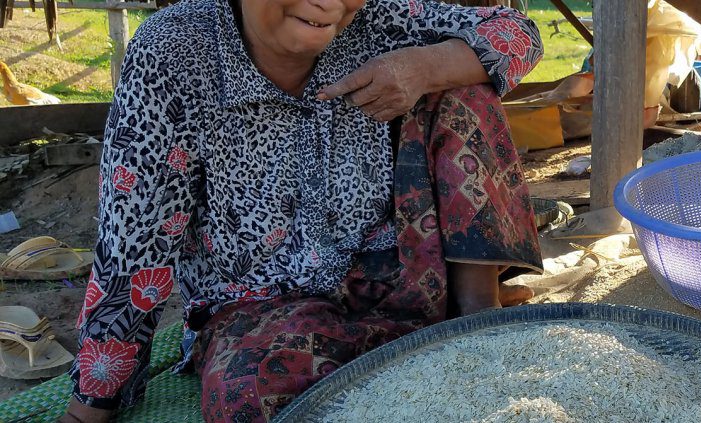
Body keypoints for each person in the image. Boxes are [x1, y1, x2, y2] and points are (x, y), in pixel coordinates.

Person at [60, 0, 543, 421]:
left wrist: (425, 65)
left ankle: (478, 317)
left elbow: (518, 34)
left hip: (405, 277)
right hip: (260, 307)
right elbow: (136, 233)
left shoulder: (380, 20)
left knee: (465, 83)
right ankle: (428, 353)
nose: (328, 3)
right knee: (250, 394)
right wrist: (94, 403)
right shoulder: (176, 49)